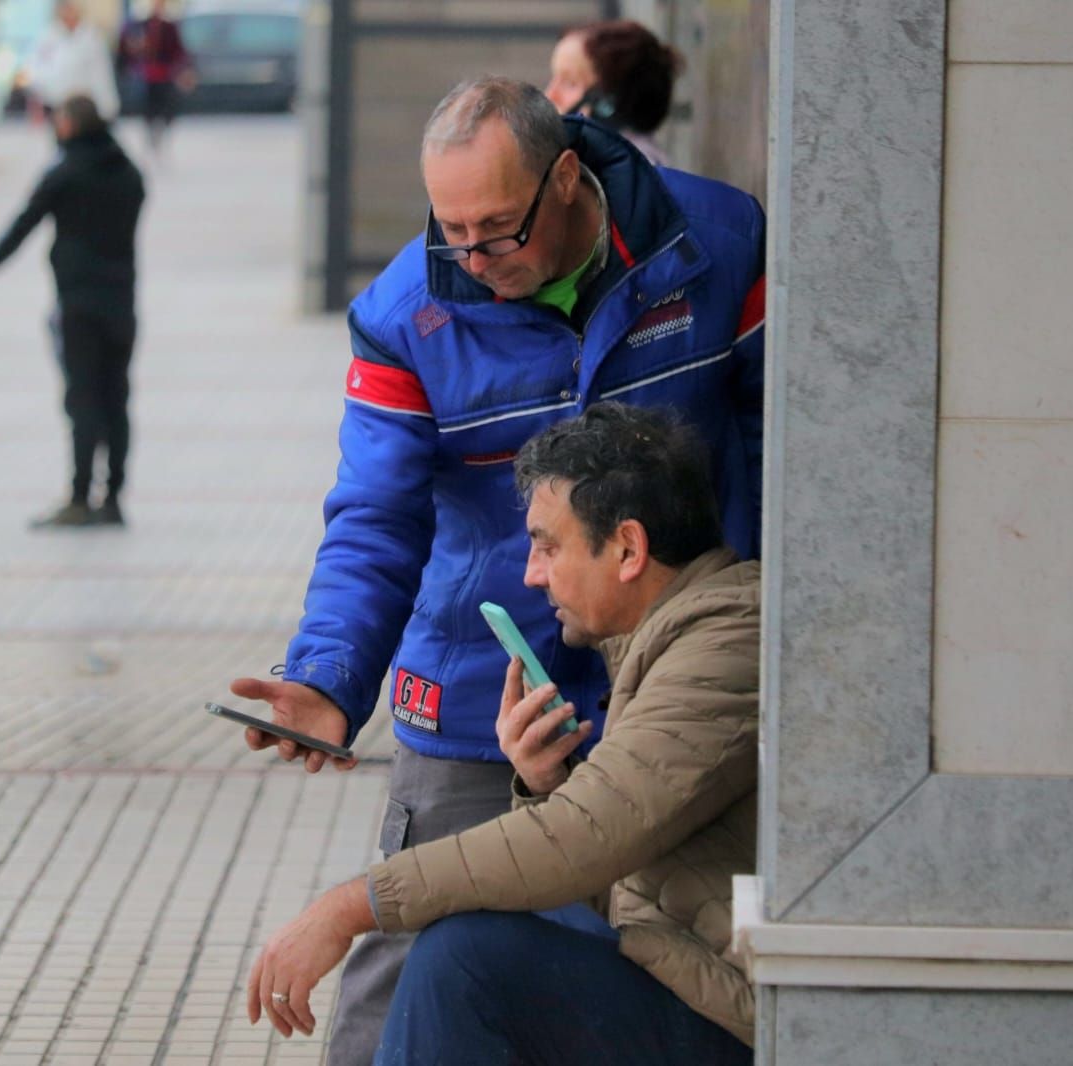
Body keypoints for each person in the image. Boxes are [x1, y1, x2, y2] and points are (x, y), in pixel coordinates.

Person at [228, 77, 765, 1064]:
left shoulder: (716, 243)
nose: (473, 260)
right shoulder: (405, 313)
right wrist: (326, 676)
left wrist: (757, 624)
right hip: (490, 678)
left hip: (681, 656)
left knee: (637, 931)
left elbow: (780, 441)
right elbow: (373, 519)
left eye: (498, 232)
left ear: (565, 178)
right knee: (414, 959)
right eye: (451, 231)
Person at [246, 403, 759, 1065]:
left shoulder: (726, 646)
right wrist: (549, 785)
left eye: (548, 546)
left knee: (464, 963)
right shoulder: (675, 639)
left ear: (628, 548)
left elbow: (583, 837)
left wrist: (351, 906)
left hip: (744, 1022)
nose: (531, 574)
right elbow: (623, 871)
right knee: (478, 938)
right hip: (697, 990)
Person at [0, 94, 145, 529]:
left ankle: (79, 495)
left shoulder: (65, 174)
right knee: (117, 396)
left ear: (69, 126)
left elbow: (24, 223)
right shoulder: (129, 174)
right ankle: (115, 497)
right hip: (123, 302)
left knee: (82, 397)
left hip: (78, 305)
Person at [545, 19, 682, 166]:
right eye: (554, 78)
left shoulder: (633, 176)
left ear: (606, 106)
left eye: (570, 83)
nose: (550, 94)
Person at [116, 0, 194, 156]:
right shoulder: (139, 26)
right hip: (146, 74)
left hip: (164, 74)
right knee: (147, 106)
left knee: (167, 105)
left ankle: (162, 129)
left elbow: (178, 51)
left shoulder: (169, 28)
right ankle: (151, 131)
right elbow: (125, 49)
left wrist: (182, 70)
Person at [26, 1, 120, 127]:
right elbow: (36, 68)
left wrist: (107, 104)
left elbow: (101, 74)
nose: (69, 14)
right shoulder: (48, 36)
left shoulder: (91, 37)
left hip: (85, 103)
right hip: (57, 102)